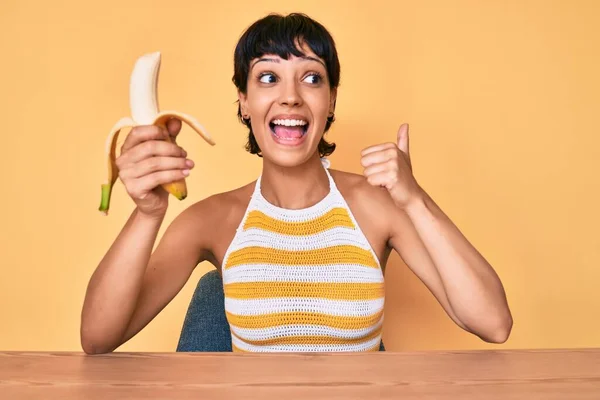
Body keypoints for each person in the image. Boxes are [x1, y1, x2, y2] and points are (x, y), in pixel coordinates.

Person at [80, 13, 512, 354]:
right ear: (244, 103)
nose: (290, 96)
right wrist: (148, 212)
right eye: (268, 77)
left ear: (331, 100)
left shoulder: (378, 205)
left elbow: (492, 323)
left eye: (311, 77)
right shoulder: (211, 220)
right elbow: (98, 337)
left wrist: (416, 200)